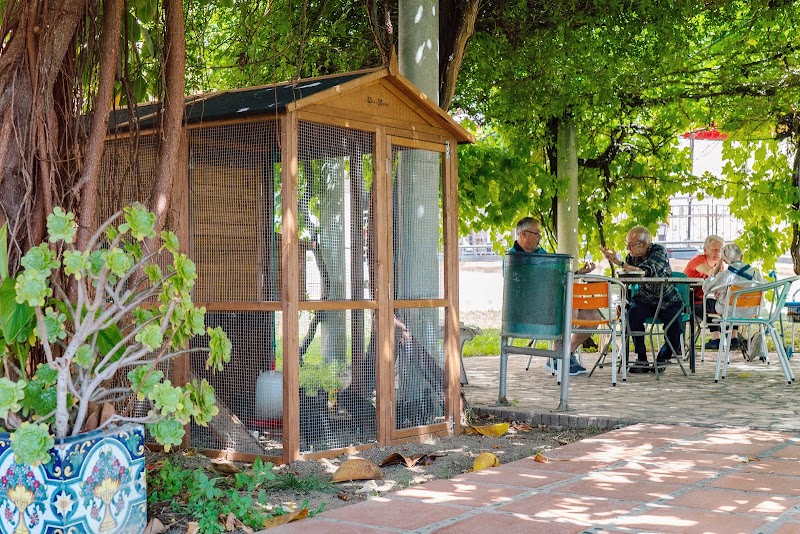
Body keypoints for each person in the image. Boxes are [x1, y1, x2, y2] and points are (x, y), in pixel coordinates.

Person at [509, 217, 598, 376]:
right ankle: (558, 357)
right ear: (523, 234)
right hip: (529, 310)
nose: (540, 238)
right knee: (568, 305)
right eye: (536, 234)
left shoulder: (541, 253)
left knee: (592, 315)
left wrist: (577, 274)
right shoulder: (512, 257)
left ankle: (564, 354)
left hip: (549, 302)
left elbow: (556, 276)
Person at [600, 225, 683, 373]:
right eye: (627, 244)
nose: (628, 248)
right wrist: (623, 302)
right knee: (632, 313)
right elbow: (628, 283)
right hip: (645, 298)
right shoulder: (631, 258)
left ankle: (663, 357)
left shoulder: (658, 251)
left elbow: (645, 271)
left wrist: (619, 263)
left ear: (643, 244)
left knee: (675, 325)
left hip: (667, 299)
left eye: (631, 244)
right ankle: (641, 358)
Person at [702, 243, 764, 351]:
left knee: (708, 302)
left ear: (724, 260)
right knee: (732, 302)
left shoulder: (725, 275)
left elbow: (706, 288)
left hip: (730, 311)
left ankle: (716, 338)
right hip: (753, 312)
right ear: (742, 256)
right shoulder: (756, 274)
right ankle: (733, 338)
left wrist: (715, 272)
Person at [684, 235, 725, 348]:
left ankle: (728, 339)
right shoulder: (698, 260)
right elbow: (711, 273)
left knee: (723, 305)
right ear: (705, 250)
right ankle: (722, 339)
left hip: (701, 302)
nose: (717, 253)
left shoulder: (719, 266)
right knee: (712, 306)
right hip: (686, 302)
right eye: (714, 249)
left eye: (720, 250)